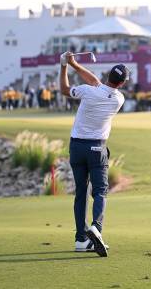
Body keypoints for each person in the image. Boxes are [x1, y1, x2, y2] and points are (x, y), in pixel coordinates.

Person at [59, 51, 128, 257]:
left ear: (108, 76)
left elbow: (64, 89)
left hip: (76, 147)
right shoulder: (119, 99)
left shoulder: (88, 91)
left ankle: (81, 239)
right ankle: (96, 227)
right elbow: (98, 84)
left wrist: (65, 65)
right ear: (122, 83)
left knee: (81, 192)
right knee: (99, 191)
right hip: (97, 149)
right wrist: (74, 64)